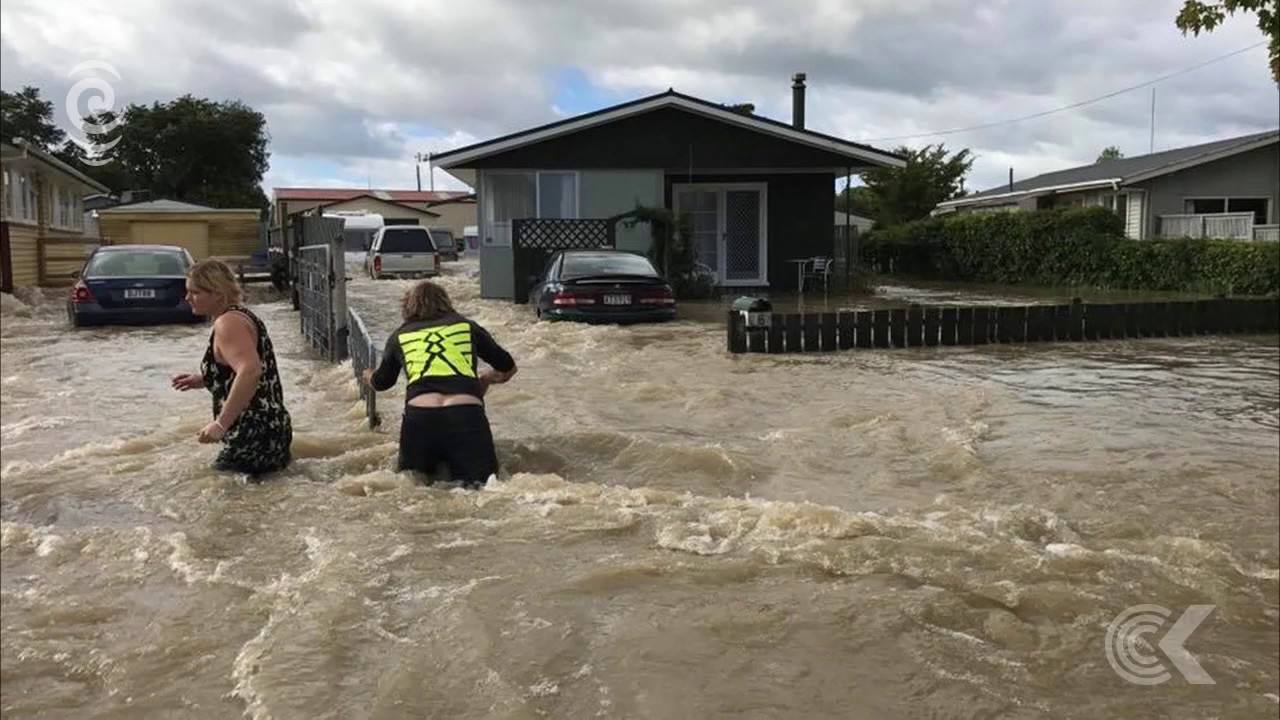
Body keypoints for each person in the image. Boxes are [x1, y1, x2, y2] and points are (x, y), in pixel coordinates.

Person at [362, 280, 516, 488]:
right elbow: (507, 366)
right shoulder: (466, 326)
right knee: (484, 487)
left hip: (420, 419)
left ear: (407, 308)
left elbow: (382, 383)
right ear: (446, 302)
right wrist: (486, 379)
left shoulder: (400, 335)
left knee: (412, 486)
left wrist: (368, 376)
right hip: (466, 415)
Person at [172, 259, 293, 478]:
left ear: (217, 293)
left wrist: (220, 424)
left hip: (251, 430)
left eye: (195, 292)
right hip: (270, 426)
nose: (188, 298)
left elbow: (251, 371)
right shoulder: (242, 315)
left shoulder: (227, 323)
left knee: (222, 500)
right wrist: (203, 378)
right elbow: (241, 368)